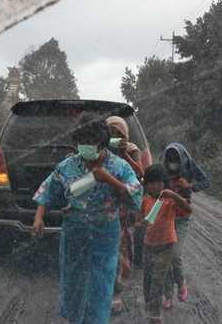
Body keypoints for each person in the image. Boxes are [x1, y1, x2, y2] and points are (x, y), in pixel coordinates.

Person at [32, 112, 143, 324]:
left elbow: (135, 194)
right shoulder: (68, 167)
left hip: (105, 238)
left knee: (100, 286)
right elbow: (48, 188)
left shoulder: (119, 167)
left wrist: (108, 179)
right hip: (74, 236)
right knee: (74, 283)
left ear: (101, 142)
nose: (85, 146)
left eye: (90, 142)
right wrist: (39, 217)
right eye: (81, 142)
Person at [137, 164, 192, 324]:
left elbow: (188, 208)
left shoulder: (168, 200)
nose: (154, 186)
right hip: (148, 246)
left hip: (166, 247)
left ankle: (155, 317)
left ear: (164, 183)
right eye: (151, 182)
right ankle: (150, 311)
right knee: (147, 281)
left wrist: (174, 196)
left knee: (157, 280)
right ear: (146, 184)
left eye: (158, 182)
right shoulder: (145, 201)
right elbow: (138, 221)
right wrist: (143, 224)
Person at [160, 142, 210, 309]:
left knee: (175, 254)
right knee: (165, 257)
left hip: (182, 218)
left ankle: (181, 282)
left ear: (182, 158)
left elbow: (205, 181)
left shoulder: (188, 166)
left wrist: (190, 185)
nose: (173, 161)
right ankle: (168, 294)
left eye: (176, 158)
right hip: (165, 218)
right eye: (170, 158)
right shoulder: (163, 170)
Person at [105, 116, 147, 313]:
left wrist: (124, 154)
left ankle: (116, 292)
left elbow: (140, 175)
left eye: (119, 134)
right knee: (104, 249)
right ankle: (103, 290)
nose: (114, 137)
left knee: (121, 251)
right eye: (111, 133)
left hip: (126, 210)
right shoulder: (101, 150)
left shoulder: (131, 150)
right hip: (105, 209)